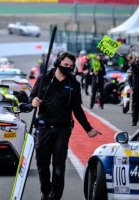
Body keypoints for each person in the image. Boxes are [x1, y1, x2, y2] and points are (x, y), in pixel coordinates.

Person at [29, 51, 101, 200]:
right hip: (43, 128)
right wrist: (33, 101)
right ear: (57, 63)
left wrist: (88, 128)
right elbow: (32, 98)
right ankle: (46, 190)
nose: (68, 67)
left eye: (71, 65)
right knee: (42, 164)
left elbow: (77, 109)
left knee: (58, 166)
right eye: (65, 64)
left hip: (62, 129)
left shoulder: (73, 83)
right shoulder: (44, 79)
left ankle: (55, 196)